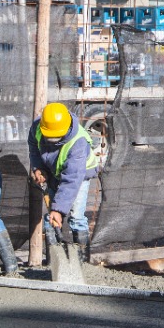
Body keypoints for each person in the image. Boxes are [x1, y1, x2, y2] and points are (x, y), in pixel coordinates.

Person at [28, 102, 102, 259]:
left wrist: (59, 209)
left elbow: (72, 179)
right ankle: (53, 262)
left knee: (76, 217)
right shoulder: (38, 127)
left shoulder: (78, 143)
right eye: (50, 137)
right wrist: (38, 168)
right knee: (51, 219)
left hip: (78, 176)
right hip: (54, 170)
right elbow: (34, 148)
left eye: (56, 138)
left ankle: (83, 263)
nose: (52, 140)